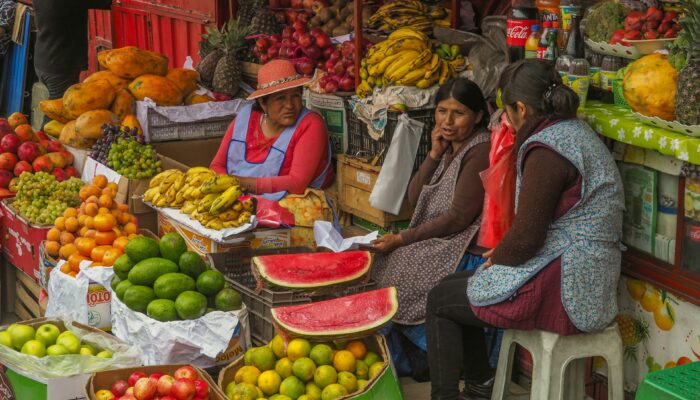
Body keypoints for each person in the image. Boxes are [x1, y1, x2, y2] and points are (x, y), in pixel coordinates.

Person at [426, 59, 624, 400]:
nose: (506, 121)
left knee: (440, 300)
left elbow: (528, 236)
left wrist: (500, 256)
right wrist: (502, 255)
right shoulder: (572, 132)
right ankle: (478, 385)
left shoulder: (549, 150)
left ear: (521, 107)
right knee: (451, 287)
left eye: (507, 112)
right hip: (581, 270)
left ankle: (447, 395)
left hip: (571, 285)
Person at [369, 78, 491, 378]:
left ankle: (422, 353)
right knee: (384, 262)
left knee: (404, 271)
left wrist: (402, 238)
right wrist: (434, 154)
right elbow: (414, 197)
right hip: (439, 233)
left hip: (459, 240)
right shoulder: (450, 146)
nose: (447, 122)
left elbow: (460, 217)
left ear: (477, 116)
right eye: (441, 111)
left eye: (458, 113)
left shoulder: (480, 149)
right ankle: (391, 346)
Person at [210, 59, 333, 200]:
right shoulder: (245, 118)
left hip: (295, 211)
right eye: (280, 98)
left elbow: (296, 184)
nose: (289, 105)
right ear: (263, 103)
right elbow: (217, 165)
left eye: (295, 96)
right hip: (237, 199)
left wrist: (238, 183)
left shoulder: (311, 124)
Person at [33, 0, 112, 101]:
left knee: (58, 108)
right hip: (59, 64)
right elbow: (107, 2)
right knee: (62, 112)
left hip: (44, 58)